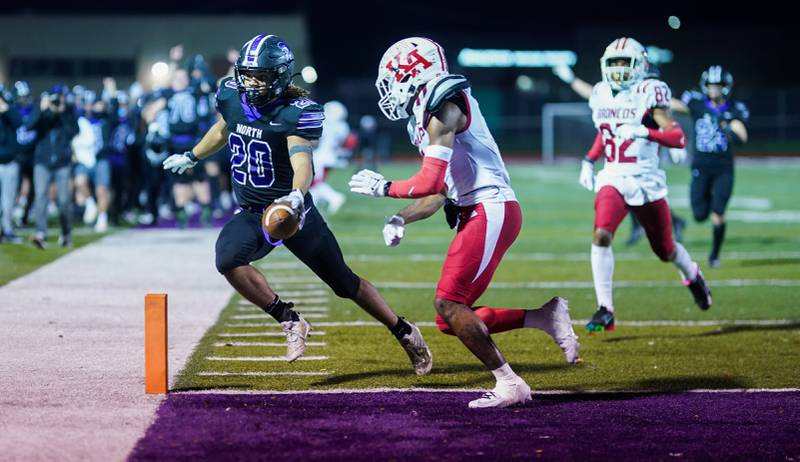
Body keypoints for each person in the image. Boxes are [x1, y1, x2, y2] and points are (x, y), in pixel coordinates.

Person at [162, 34, 432, 373]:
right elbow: (222, 128)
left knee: (345, 285)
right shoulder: (231, 96)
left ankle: (403, 330)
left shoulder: (294, 113)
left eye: (260, 75)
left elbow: (302, 161)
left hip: (292, 212)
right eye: (247, 74)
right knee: (228, 259)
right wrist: (192, 155)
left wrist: (296, 195)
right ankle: (289, 319)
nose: (251, 82)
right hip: (253, 213)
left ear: (280, 75)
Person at [349, 37, 579, 409]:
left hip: (491, 207)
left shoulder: (446, 105)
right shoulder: (427, 116)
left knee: (448, 303)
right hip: (477, 210)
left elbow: (427, 182)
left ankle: (510, 384)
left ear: (413, 72)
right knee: (451, 318)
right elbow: (439, 192)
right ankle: (544, 317)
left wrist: (385, 187)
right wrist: (400, 216)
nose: (389, 89)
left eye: (393, 78)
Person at [576, 37, 712, 333]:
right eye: (614, 63)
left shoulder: (649, 92)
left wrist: (643, 131)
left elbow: (677, 137)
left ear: (641, 65)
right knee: (601, 234)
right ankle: (605, 308)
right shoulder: (601, 93)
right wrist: (589, 160)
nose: (619, 69)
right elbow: (606, 132)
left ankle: (692, 273)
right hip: (613, 176)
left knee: (666, 250)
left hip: (646, 179)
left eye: (625, 62)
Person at [552, 59, 687, 245]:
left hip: (645, 154)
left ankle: (669, 226)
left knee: (645, 198)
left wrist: (699, 110)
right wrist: (589, 160)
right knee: (625, 192)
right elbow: (605, 126)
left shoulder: (649, 92)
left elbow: (667, 113)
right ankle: (659, 225)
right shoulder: (621, 96)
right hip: (626, 157)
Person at [670, 66, 749, 268]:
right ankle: (706, 203)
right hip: (701, 166)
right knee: (699, 215)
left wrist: (729, 125)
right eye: (711, 85)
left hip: (723, 167)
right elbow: (672, 104)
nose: (714, 89)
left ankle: (714, 255)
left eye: (718, 85)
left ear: (726, 87)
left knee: (718, 211)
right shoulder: (697, 104)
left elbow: (743, 137)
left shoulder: (733, 109)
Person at [27, 85, 79, 249]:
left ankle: (66, 233)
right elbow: (29, 126)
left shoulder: (68, 113)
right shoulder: (43, 112)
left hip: (62, 162)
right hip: (42, 161)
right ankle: (41, 233)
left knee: (64, 201)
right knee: (40, 197)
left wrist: (62, 112)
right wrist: (43, 110)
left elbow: (74, 131)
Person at [309, 100, 349, 214]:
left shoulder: (327, 125)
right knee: (315, 183)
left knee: (315, 183)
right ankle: (314, 206)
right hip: (331, 157)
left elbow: (315, 140)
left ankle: (335, 197)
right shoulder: (343, 127)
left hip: (321, 157)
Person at [0, 86, 24, 243]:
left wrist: (5, 109)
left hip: (9, 161)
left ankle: (7, 229)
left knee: (8, 200)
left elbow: (19, 123)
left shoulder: (10, 111)